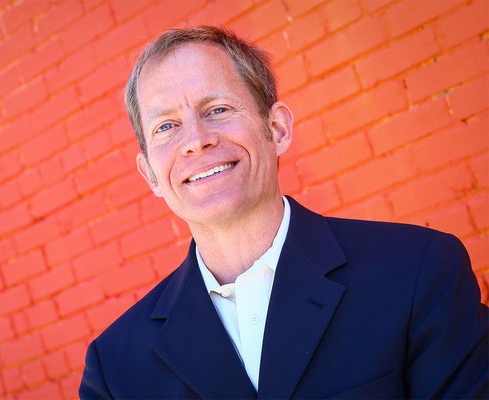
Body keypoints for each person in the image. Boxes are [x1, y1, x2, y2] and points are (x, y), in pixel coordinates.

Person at [79, 26, 488, 399]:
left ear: (277, 129)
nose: (196, 141)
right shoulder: (115, 369)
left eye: (217, 109)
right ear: (150, 174)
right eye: (166, 126)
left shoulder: (415, 271)